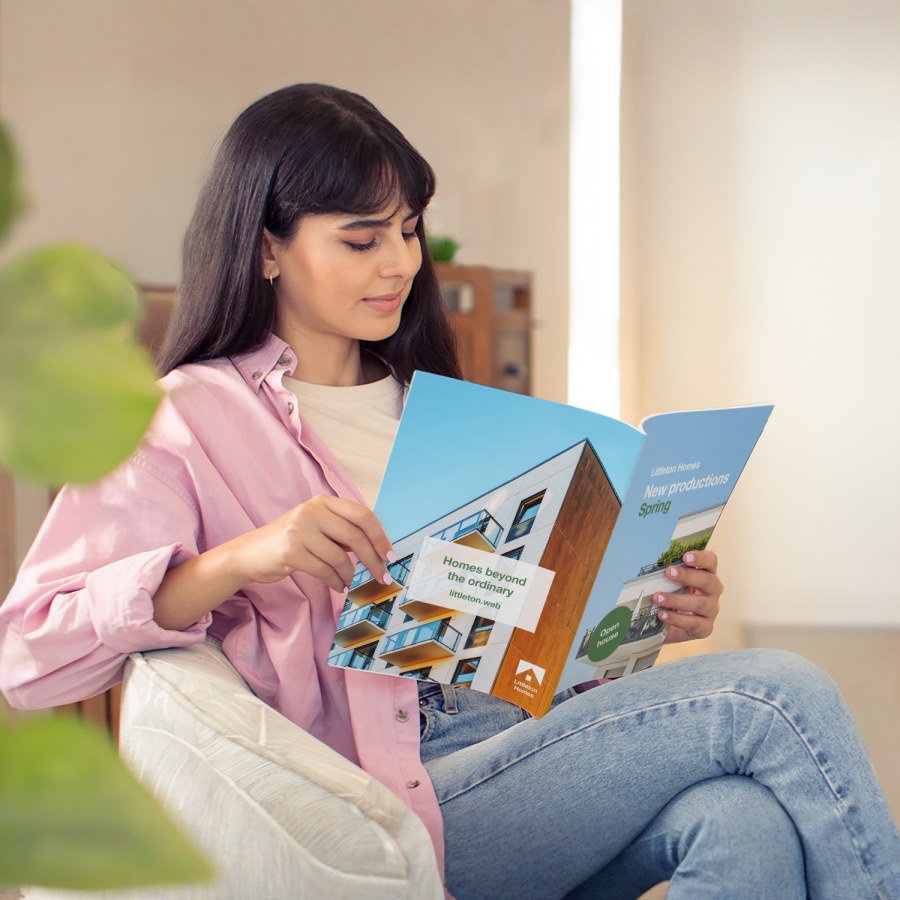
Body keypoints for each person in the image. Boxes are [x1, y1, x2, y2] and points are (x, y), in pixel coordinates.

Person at [0, 83, 897, 900]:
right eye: (360, 239)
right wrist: (241, 559)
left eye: (408, 229)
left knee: (742, 823)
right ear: (268, 249)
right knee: (776, 694)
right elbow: (28, 656)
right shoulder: (184, 419)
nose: (398, 263)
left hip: (514, 743)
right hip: (380, 795)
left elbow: (527, 647)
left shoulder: (438, 408)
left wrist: (640, 614)